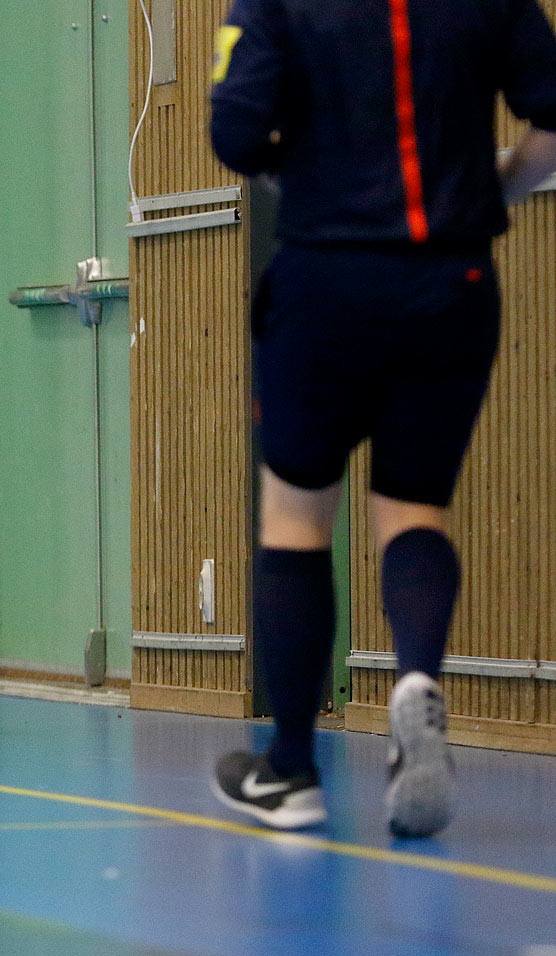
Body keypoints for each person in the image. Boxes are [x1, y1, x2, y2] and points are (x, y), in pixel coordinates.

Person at [208, 0, 556, 837]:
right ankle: (416, 680)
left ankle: (290, 769)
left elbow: (237, 137)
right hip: (453, 283)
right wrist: (493, 184)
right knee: (413, 506)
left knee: (296, 515)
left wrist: (317, 172)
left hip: (327, 276)